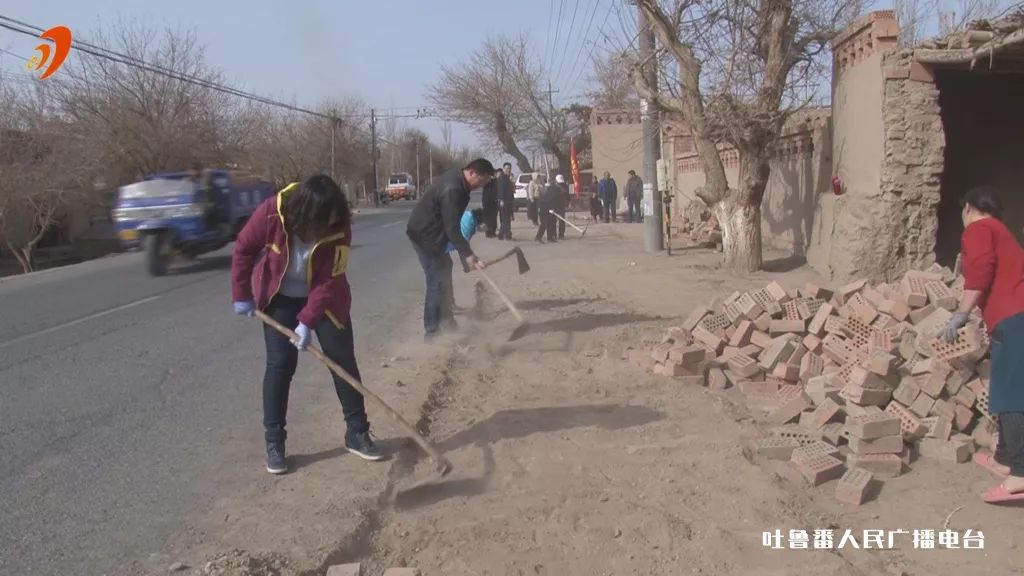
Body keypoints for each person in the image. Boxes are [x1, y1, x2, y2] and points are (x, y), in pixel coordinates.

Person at [231, 174, 379, 475]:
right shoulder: (272, 212)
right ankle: (274, 441)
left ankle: (357, 432)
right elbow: (244, 249)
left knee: (342, 360)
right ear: (307, 215)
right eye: (325, 221)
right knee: (280, 365)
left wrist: (307, 322)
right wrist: (242, 294)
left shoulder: (339, 227)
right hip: (280, 297)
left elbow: (329, 279)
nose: (332, 226)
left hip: (326, 299)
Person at [938, 185, 1024, 504]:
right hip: (1012, 320)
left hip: (1015, 318)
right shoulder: (1001, 231)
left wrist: (960, 314)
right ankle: (1004, 458)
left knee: (1014, 393)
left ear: (970, 208)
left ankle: (1020, 475)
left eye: (963, 211)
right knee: (1004, 388)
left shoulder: (979, 229)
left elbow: (980, 273)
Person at [407, 158, 493, 341]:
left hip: (433, 234)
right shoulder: (453, 189)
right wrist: (468, 255)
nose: (482, 185)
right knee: (436, 283)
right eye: (482, 180)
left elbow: (451, 227)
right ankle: (432, 331)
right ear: (472, 172)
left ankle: (447, 322)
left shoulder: (459, 181)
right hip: (425, 236)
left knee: (444, 273)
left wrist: (471, 256)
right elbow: (452, 228)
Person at [445, 208, 484, 313]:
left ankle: (449, 305)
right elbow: (463, 245)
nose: (486, 228)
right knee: (441, 275)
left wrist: (472, 261)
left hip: (442, 243)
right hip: (437, 244)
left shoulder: (470, 219)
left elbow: (465, 247)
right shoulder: (468, 222)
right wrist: (470, 264)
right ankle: (443, 311)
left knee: (446, 267)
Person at [535, 177, 561, 243]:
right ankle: (538, 237)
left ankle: (550, 237)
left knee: (550, 223)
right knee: (544, 223)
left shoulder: (552, 189)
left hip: (549, 208)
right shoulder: (553, 189)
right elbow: (550, 199)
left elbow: (555, 200)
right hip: (544, 208)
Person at [497, 162, 515, 240]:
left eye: (509, 168)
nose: (508, 170)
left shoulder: (507, 178)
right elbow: (500, 190)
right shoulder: (502, 178)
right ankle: (507, 235)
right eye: (507, 168)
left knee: (506, 218)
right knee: (506, 219)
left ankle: (501, 234)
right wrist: (501, 200)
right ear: (503, 168)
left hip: (509, 201)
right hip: (504, 201)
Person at [554, 174, 571, 239]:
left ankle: (556, 234)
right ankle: (561, 234)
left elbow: (567, 196)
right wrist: (568, 203)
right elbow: (568, 196)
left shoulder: (556, 186)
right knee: (561, 220)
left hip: (557, 206)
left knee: (556, 220)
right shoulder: (565, 186)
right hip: (561, 205)